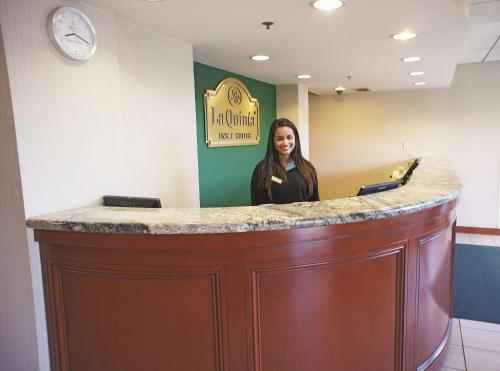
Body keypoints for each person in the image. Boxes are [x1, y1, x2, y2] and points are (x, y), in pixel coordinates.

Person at [251, 118, 319, 205]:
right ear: (272, 141)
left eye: (289, 137)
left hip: (303, 218)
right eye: (280, 139)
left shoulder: (308, 168)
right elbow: (256, 205)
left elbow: (315, 204)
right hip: (272, 218)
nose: (285, 143)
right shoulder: (262, 169)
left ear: (296, 139)